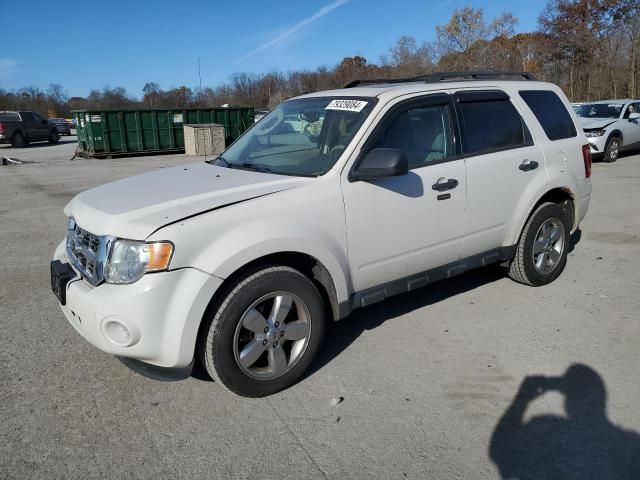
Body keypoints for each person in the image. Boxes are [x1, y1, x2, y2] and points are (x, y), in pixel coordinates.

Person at [490, 364, 640, 479]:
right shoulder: (630, 446)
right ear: (602, 400)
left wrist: (522, 399)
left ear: (567, 401)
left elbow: (500, 451)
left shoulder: (545, 432)